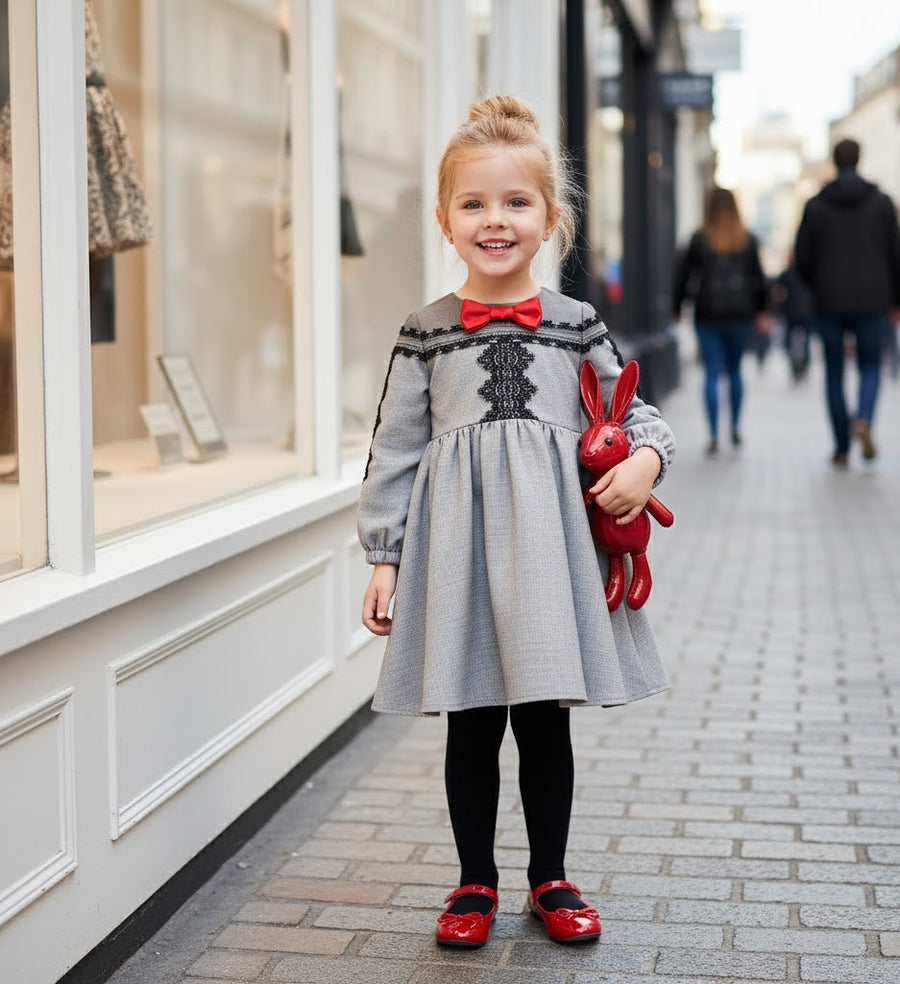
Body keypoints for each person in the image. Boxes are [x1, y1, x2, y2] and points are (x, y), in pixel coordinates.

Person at [357, 96, 675, 949]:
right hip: (458, 553)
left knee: (544, 721)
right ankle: (472, 882)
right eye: (474, 204)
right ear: (444, 219)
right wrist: (384, 557)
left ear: (550, 221)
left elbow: (634, 414)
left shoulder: (576, 326)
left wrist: (643, 465)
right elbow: (394, 448)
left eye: (515, 203)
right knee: (471, 720)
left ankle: (551, 875)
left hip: (548, 554)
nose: (494, 220)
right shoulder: (425, 333)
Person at [794, 138, 900, 466]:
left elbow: (801, 258)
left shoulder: (816, 205)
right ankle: (864, 418)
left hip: (829, 302)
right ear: (860, 158)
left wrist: (818, 286)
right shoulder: (882, 203)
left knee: (835, 374)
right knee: (871, 366)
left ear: (835, 162)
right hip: (874, 300)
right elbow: (896, 255)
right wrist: (894, 298)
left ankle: (841, 447)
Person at [673, 186, 769, 455]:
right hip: (740, 314)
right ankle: (735, 429)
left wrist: (677, 307)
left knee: (712, 373)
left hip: (708, 314)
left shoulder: (699, 239)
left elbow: (683, 277)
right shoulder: (747, 240)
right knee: (736, 371)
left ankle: (714, 433)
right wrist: (762, 311)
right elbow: (759, 279)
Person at [772, 257, 815, 381]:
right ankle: (804, 365)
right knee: (805, 339)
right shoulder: (809, 272)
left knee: (789, 340)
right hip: (807, 311)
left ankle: (795, 365)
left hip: (791, 311)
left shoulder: (786, 274)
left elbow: (778, 293)